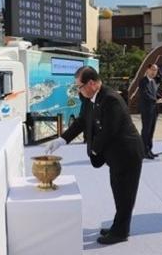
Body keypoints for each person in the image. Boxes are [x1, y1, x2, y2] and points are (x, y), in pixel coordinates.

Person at [45, 66, 144, 245]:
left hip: (127, 153)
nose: (78, 91)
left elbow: (109, 131)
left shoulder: (111, 99)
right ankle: (118, 226)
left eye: (79, 87)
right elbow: (82, 121)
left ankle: (120, 232)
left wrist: (94, 150)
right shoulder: (89, 98)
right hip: (115, 154)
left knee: (125, 194)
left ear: (91, 83)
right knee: (118, 191)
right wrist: (61, 140)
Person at [138, 64, 161, 159]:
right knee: (146, 130)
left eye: (156, 70)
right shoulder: (143, 81)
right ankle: (144, 151)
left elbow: (155, 93)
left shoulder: (154, 82)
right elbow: (145, 94)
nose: (154, 72)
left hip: (154, 110)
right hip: (147, 110)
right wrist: (155, 99)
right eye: (152, 70)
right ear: (147, 70)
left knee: (151, 131)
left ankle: (149, 150)